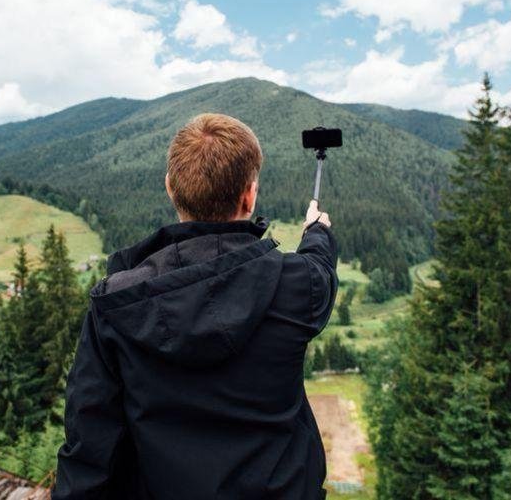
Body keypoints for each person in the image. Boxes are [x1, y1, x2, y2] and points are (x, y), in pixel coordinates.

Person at [53, 112, 338, 499]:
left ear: (170, 188)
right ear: (249, 195)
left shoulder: (115, 305)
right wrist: (317, 232)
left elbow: (89, 444)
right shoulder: (295, 286)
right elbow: (319, 269)